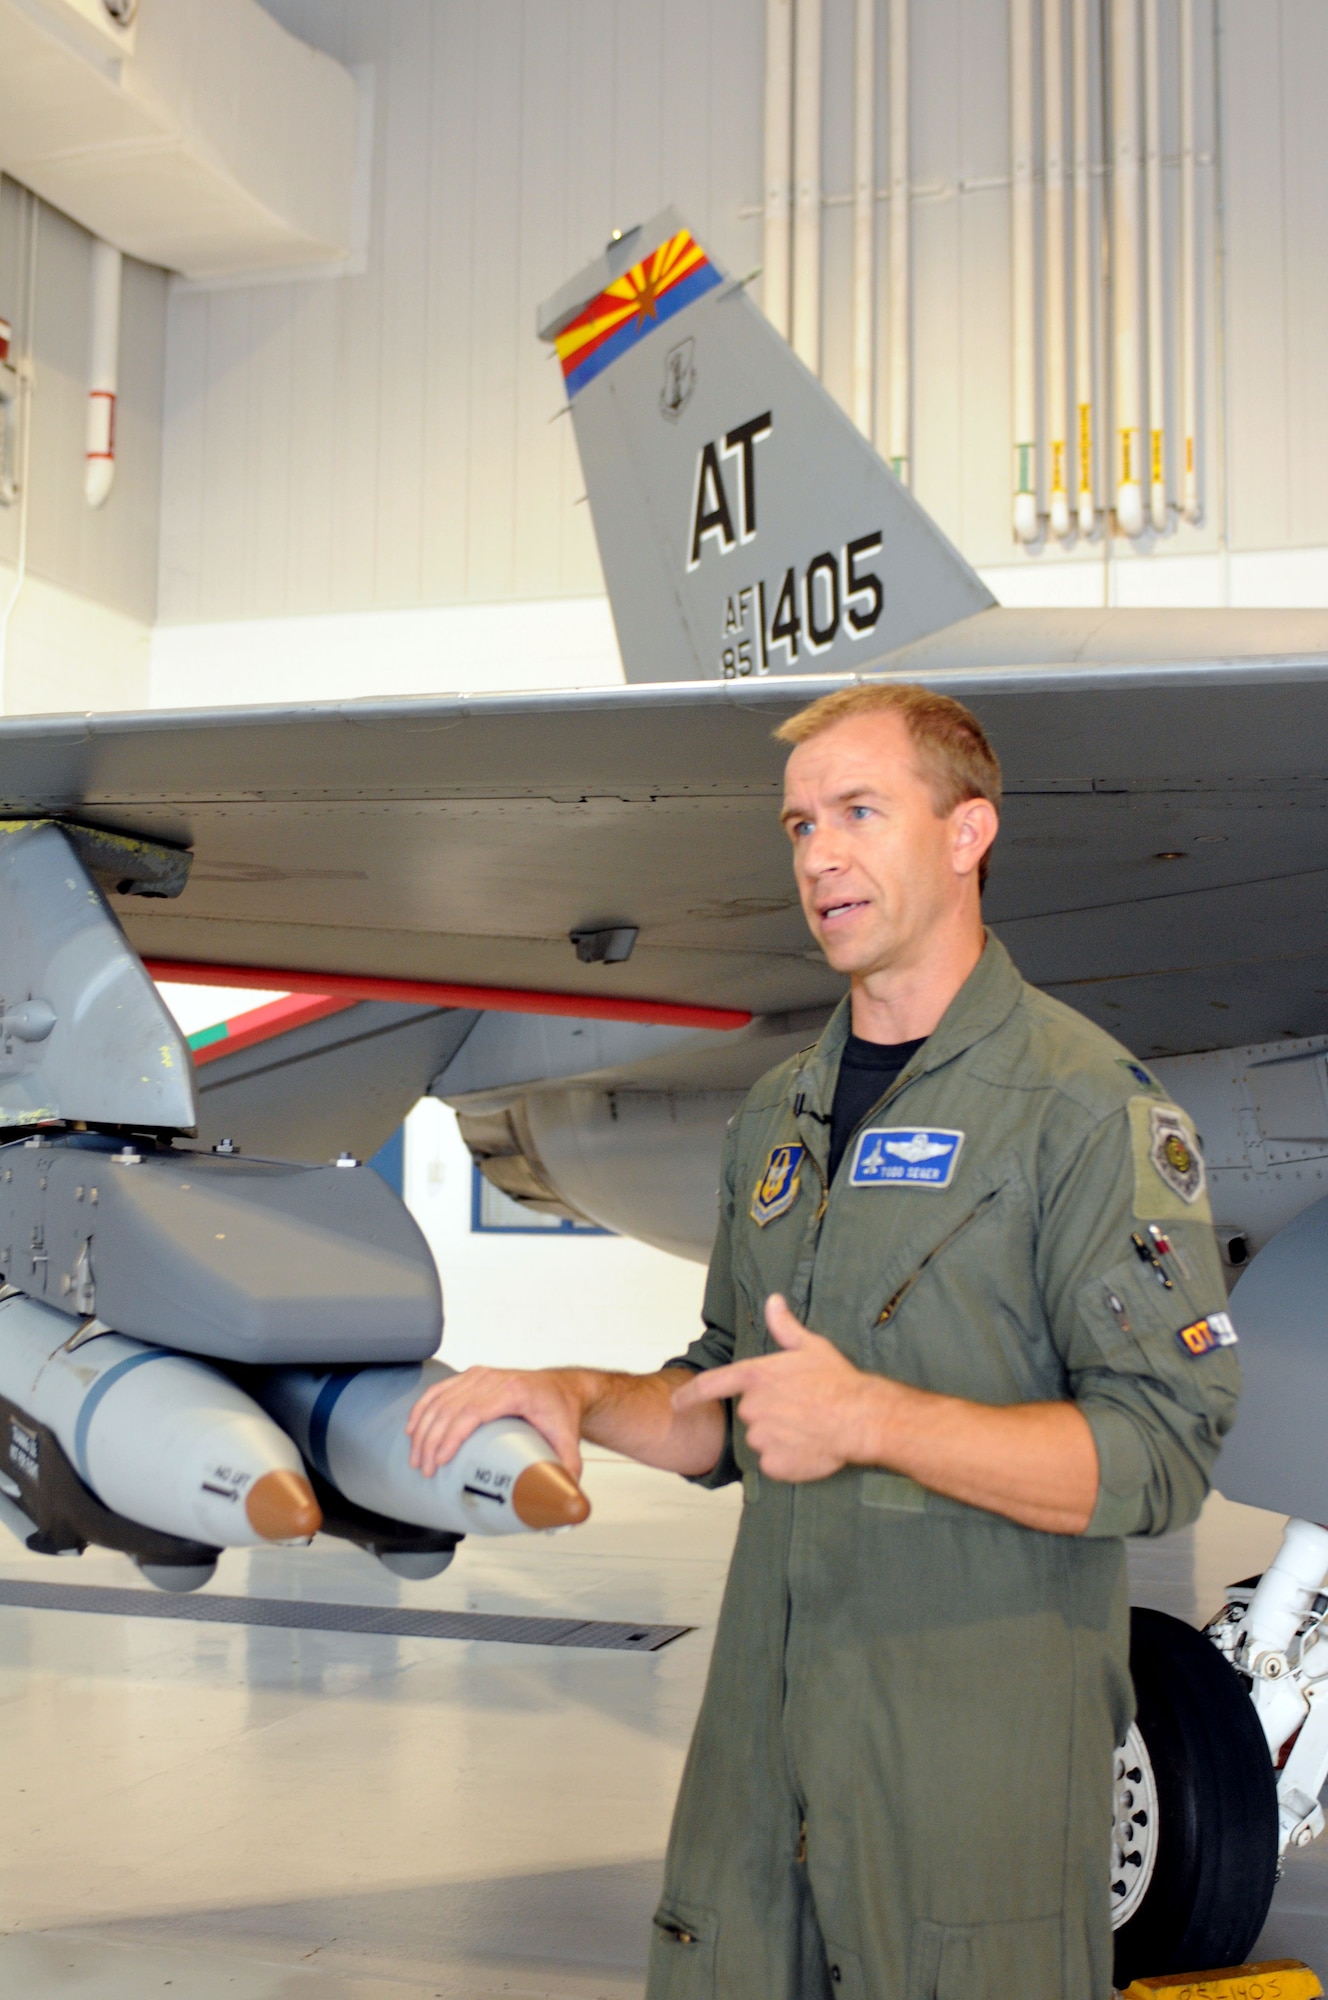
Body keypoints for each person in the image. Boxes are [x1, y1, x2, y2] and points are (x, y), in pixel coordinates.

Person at [406, 683, 1239, 2000]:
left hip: (976, 1780)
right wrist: (574, 1392)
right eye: (799, 825)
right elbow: (726, 1402)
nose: (819, 856)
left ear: (968, 834)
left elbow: (1159, 1455)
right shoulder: (779, 1115)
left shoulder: (1084, 1112)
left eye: (859, 812)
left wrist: (874, 1423)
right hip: (765, 1750)